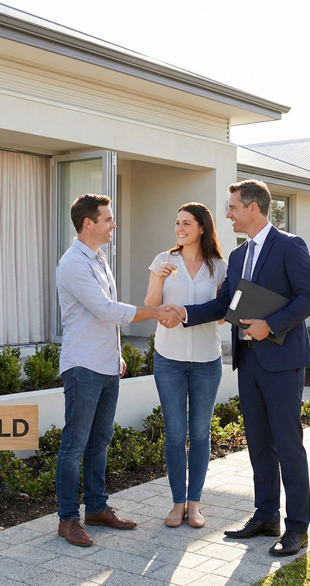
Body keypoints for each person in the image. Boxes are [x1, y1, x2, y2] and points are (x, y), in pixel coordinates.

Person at [166, 180, 310, 556]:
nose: (228, 214)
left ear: (253, 208)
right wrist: (185, 313)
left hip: (282, 362)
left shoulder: (289, 245)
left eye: (232, 207)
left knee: (288, 445)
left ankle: (297, 527)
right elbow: (224, 304)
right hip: (248, 361)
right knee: (258, 444)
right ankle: (266, 515)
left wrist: (272, 324)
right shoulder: (236, 257)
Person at [55, 193, 184, 547]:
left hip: (106, 364)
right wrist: (155, 312)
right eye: (108, 219)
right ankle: (68, 519)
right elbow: (106, 309)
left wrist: (116, 355)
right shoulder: (73, 264)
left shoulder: (98, 258)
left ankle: (96, 508)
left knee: (100, 440)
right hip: (83, 366)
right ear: (88, 224)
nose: (114, 224)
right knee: (74, 444)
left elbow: (103, 317)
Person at [145, 202, 227, 529]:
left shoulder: (219, 267)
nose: (179, 228)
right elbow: (149, 307)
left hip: (207, 360)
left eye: (187, 223)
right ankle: (177, 503)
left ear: (202, 227)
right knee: (176, 433)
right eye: (177, 222)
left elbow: (222, 314)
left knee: (201, 432)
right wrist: (158, 282)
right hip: (169, 360)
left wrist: (189, 311)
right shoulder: (163, 260)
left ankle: (195, 505)